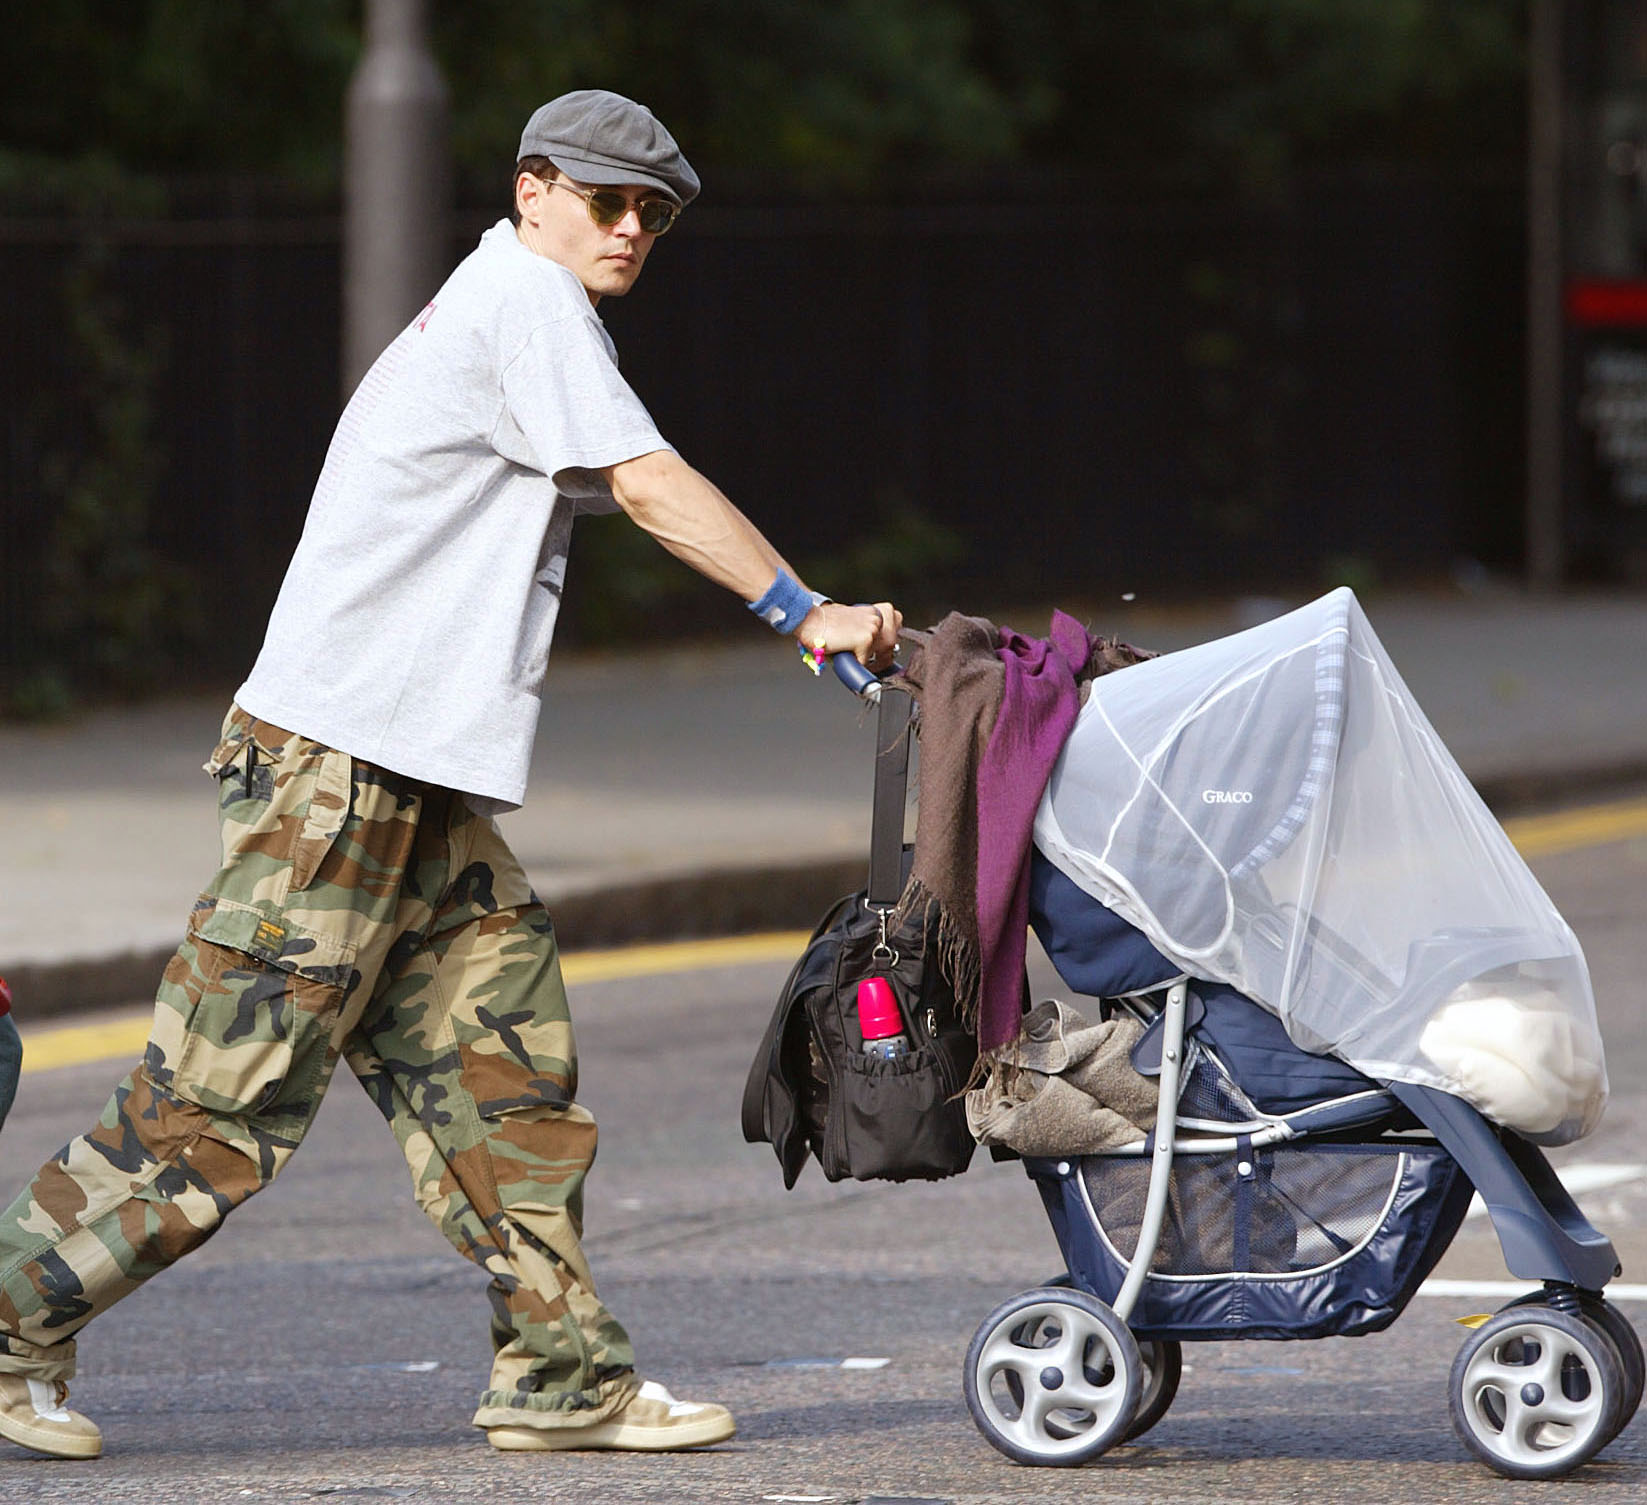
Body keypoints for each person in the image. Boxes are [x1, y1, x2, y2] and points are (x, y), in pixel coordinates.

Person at [0, 89, 899, 1462]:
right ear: (536, 189)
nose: (634, 229)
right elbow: (650, 485)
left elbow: (616, 482)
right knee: (218, 1101)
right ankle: (9, 1328)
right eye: (610, 202)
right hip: (334, 780)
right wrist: (801, 608)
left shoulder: (521, 315)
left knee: (503, 1073)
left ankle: (561, 1375)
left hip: (411, 792)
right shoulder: (522, 303)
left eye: (656, 214)